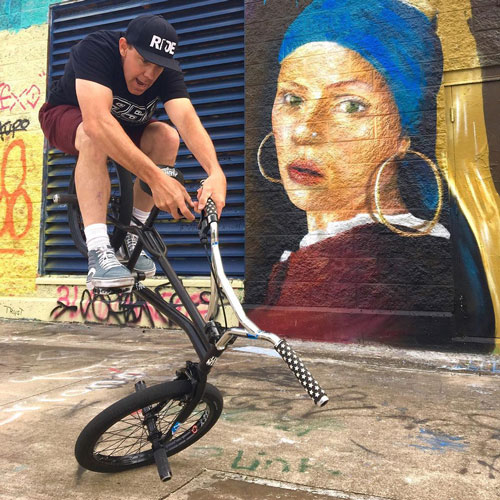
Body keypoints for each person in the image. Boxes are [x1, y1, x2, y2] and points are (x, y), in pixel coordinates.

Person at [249, 0, 494, 342]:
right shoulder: (328, 255)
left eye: (350, 105)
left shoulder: (385, 272)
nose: (305, 130)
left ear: (403, 134)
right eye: (293, 99)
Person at [39, 14, 226, 291]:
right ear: (124, 47)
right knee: (93, 135)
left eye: (158, 67)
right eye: (143, 61)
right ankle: (99, 252)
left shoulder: (165, 71)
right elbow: (98, 122)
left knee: (167, 137)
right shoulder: (96, 49)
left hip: (125, 125)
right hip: (66, 116)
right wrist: (156, 179)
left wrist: (215, 172)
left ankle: (131, 236)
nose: (149, 74)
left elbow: (186, 119)